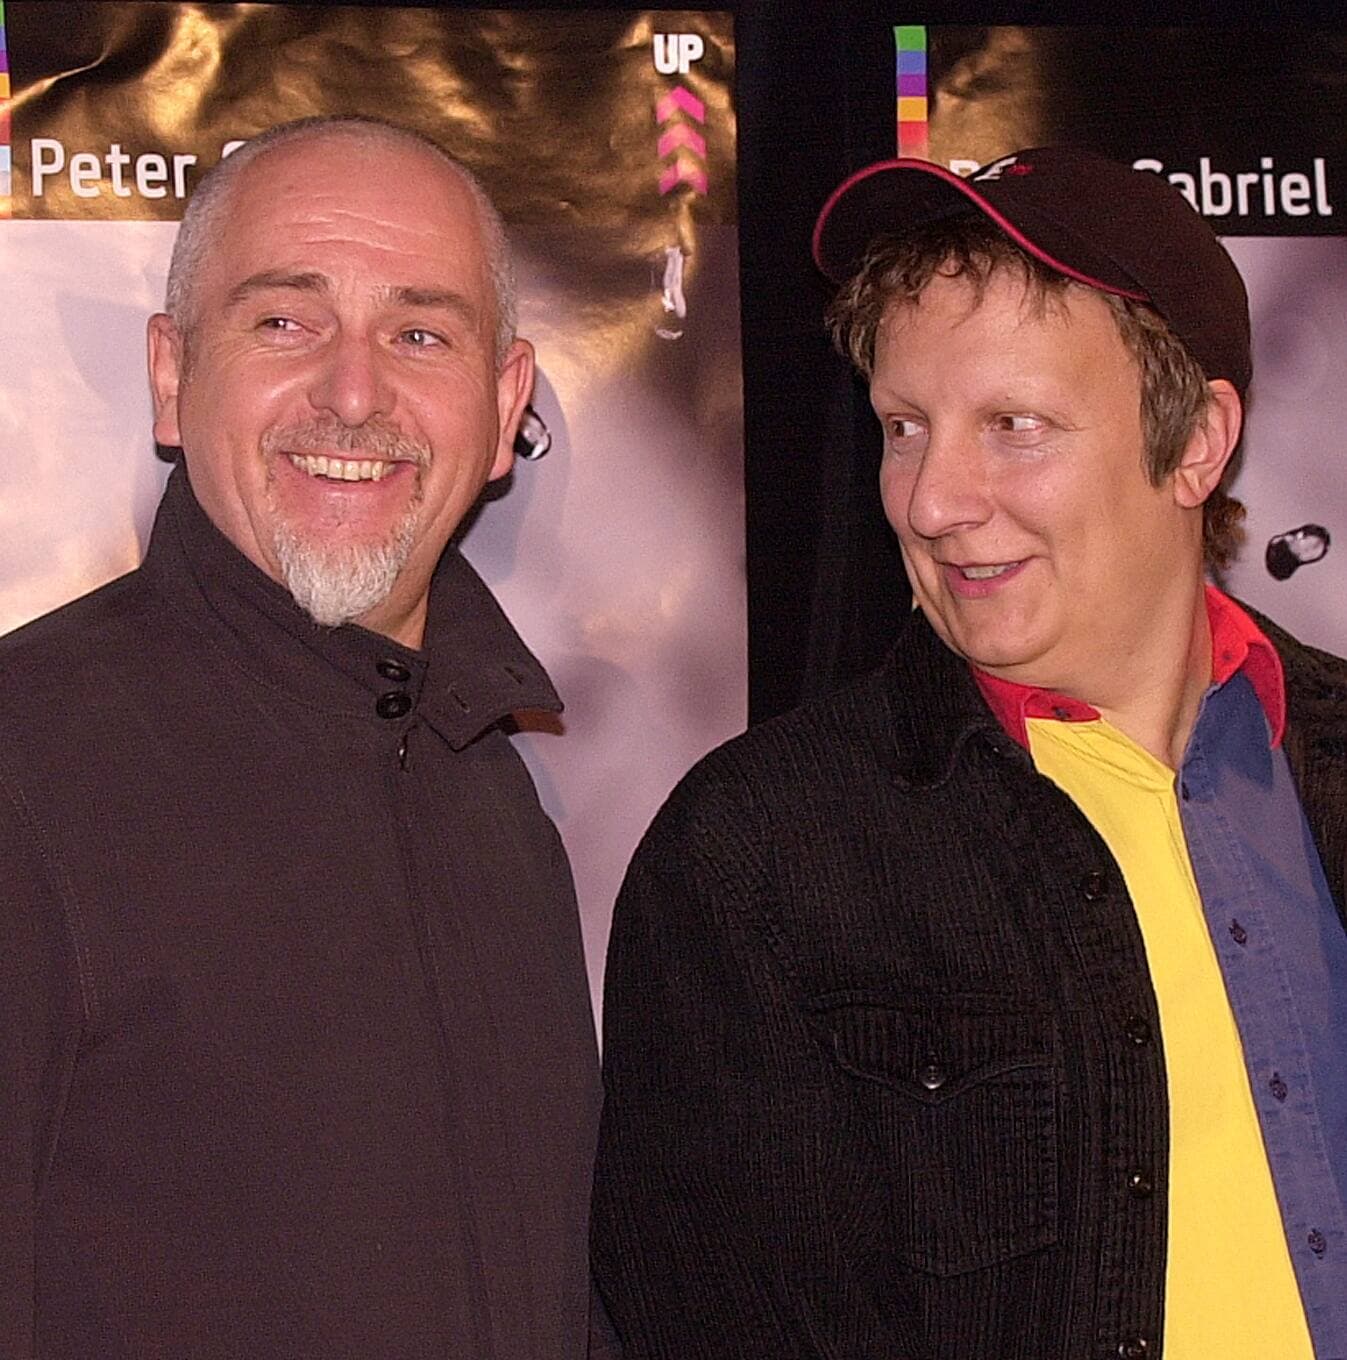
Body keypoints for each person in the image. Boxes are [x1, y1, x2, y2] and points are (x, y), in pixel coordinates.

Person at [592, 147, 1347, 1358]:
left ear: (1196, 444)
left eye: (1014, 425)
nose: (933, 498)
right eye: (904, 426)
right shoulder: (757, 858)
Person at [0, 115, 608, 1359]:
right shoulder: (24, 766)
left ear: (503, 410)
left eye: (421, 332)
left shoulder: (497, 796)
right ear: (172, 376)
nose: (353, 390)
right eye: (285, 321)